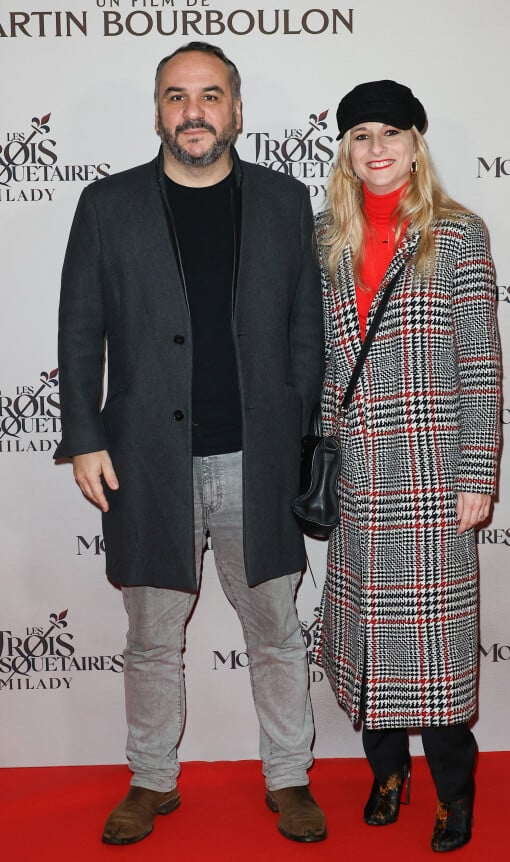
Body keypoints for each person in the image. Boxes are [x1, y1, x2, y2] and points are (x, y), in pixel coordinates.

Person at [56, 41, 326, 845]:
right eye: (177, 96)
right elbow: (79, 333)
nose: (194, 112)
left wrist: (297, 432)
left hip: (259, 456)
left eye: (210, 96)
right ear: (158, 112)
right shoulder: (108, 206)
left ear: (236, 111)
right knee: (150, 638)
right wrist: (84, 438)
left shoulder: (283, 200)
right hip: (145, 462)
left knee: (275, 630)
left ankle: (288, 777)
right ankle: (150, 777)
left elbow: (304, 331)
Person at [314, 80, 501, 852]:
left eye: (392, 132)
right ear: (346, 151)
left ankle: (454, 795)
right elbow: (323, 359)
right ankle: (386, 775)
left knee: (437, 652)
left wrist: (477, 474)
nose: (378, 147)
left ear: (417, 144)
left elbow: (481, 361)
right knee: (369, 645)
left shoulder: (458, 234)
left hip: (430, 475)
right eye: (361, 134)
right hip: (359, 472)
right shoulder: (327, 236)